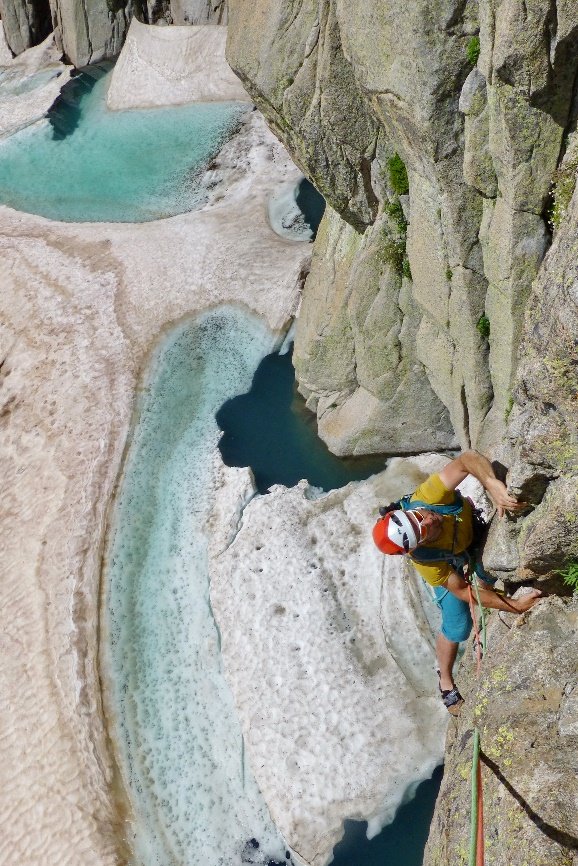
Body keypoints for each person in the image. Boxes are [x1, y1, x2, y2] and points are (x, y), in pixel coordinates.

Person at [372, 451, 542, 715]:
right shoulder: (426, 560)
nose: (428, 520)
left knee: (486, 577)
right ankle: (445, 680)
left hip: (471, 538)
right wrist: (516, 606)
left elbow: (467, 459)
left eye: (420, 517)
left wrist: (492, 484)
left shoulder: (428, 497)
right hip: (450, 561)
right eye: (424, 530)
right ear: (420, 544)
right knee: (457, 626)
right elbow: (462, 591)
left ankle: (488, 595)